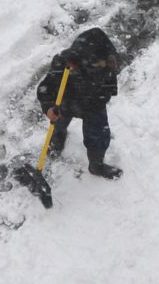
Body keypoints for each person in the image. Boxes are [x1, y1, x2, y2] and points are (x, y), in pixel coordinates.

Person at [34, 27, 122, 179]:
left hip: (94, 106)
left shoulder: (108, 62)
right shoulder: (63, 64)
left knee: (99, 137)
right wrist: (48, 107)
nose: (102, 66)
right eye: (96, 63)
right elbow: (44, 89)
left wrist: (103, 95)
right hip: (66, 104)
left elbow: (110, 84)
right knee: (59, 124)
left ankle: (96, 165)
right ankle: (57, 139)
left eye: (103, 62)